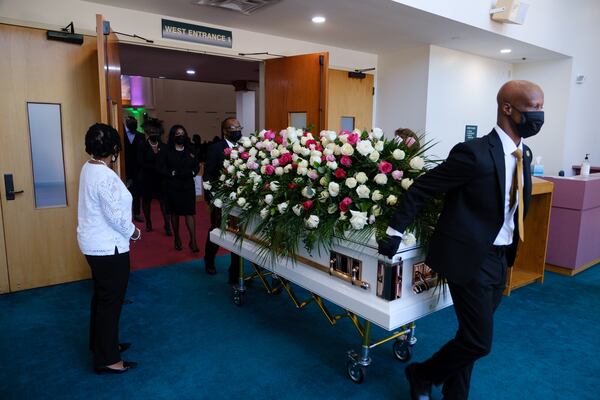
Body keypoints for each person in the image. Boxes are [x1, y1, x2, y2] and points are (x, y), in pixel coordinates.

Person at [378, 80, 543, 400]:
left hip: (500, 256)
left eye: (540, 107)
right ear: (507, 109)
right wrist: (394, 231)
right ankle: (421, 374)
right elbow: (423, 187)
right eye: (533, 108)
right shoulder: (474, 153)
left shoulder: (525, 152)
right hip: (469, 258)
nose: (539, 115)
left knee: (470, 337)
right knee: (479, 342)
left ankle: (455, 395)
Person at [77, 123, 141, 374]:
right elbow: (115, 216)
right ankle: (106, 359)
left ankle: (101, 344)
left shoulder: (89, 167)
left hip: (94, 244)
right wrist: (134, 232)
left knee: (102, 298)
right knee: (110, 302)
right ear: (114, 148)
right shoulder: (104, 174)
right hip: (107, 247)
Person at [203, 118, 242, 282]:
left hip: (240, 199)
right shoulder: (216, 148)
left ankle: (235, 271)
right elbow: (209, 174)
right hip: (221, 198)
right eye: (234, 128)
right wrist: (211, 197)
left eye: (239, 128)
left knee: (239, 233)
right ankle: (209, 259)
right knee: (218, 229)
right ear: (225, 131)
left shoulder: (244, 147)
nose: (238, 131)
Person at [158, 124, 200, 252]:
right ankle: (177, 237)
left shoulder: (190, 149)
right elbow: (160, 167)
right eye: (177, 134)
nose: (180, 136)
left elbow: (196, 165)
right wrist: (172, 173)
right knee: (175, 213)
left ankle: (193, 241)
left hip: (187, 185)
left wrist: (193, 172)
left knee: (189, 213)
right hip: (172, 185)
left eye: (182, 134)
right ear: (173, 136)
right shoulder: (166, 150)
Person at [138, 118, 171, 235]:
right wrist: (156, 167)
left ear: (160, 132)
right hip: (147, 179)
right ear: (147, 132)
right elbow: (141, 162)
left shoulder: (164, 146)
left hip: (161, 180)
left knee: (164, 203)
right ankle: (148, 222)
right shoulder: (142, 145)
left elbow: (167, 162)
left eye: (156, 132)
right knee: (146, 202)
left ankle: (167, 225)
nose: (154, 134)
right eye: (151, 132)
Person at [124, 116, 145, 222]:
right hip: (124, 167)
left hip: (137, 169)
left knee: (136, 193)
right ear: (126, 123)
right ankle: (125, 215)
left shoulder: (141, 136)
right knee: (124, 193)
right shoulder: (121, 134)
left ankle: (136, 213)